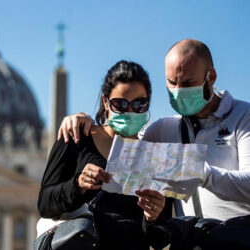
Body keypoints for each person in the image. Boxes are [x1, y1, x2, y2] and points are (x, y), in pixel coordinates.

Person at [58, 39, 250, 222]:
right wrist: (86, 120)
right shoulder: (163, 129)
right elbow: (125, 149)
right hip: (189, 240)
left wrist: (197, 170)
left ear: (211, 77)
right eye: (172, 83)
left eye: (188, 83)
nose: (178, 90)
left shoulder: (243, 116)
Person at [38, 60, 174, 250]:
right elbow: (45, 204)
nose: (129, 111)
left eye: (139, 104)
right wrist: (78, 185)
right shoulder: (76, 137)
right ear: (105, 101)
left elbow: (160, 240)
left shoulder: (156, 157)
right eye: (120, 104)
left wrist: (154, 217)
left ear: (148, 104)